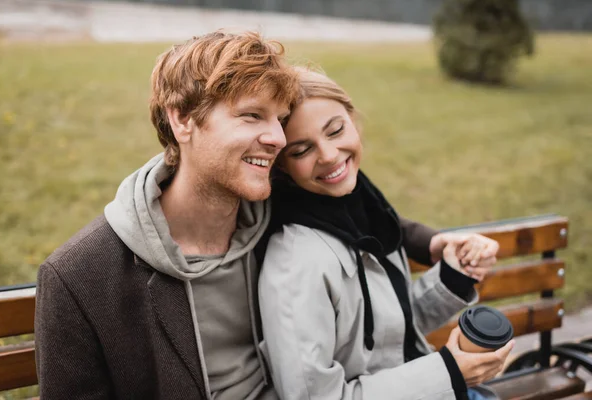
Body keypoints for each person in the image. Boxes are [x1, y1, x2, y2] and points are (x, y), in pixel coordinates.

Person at [34, 31, 299, 399]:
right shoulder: (79, 277)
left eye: (280, 119)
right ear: (182, 120)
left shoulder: (288, 217)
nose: (278, 139)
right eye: (252, 115)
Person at [257, 68, 514, 400]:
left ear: (354, 121)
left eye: (335, 130)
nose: (329, 155)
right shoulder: (295, 265)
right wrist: (449, 371)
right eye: (301, 150)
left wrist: (453, 277)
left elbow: (384, 337)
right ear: (282, 166)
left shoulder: (365, 211)